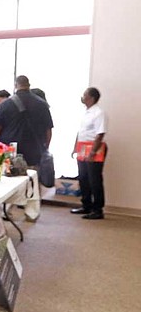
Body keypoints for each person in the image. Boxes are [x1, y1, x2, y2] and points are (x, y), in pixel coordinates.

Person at [0, 75, 53, 167]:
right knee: (33, 179)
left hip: (10, 154)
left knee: (11, 180)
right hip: (34, 155)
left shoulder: (5, 104)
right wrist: (44, 149)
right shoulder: (42, 104)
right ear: (29, 85)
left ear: (15, 86)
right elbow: (48, 131)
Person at [71, 87, 107, 220]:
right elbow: (81, 132)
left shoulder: (99, 112)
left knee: (94, 180)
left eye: (84, 95)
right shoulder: (86, 112)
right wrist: (75, 147)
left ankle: (98, 209)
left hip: (94, 147)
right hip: (82, 147)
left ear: (91, 98)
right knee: (83, 178)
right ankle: (86, 205)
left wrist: (93, 152)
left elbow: (100, 133)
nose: (82, 97)